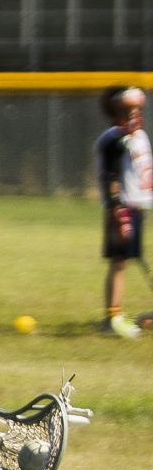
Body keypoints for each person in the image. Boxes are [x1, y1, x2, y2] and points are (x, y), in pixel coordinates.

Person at [96, 84, 149, 339]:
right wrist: (117, 210)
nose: (137, 115)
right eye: (130, 111)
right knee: (119, 262)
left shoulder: (137, 136)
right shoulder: (115, 139)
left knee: (129, 259)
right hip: (123, 209)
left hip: (138, 206)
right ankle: (112, 318)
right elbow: (110, 177)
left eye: (139, 110)